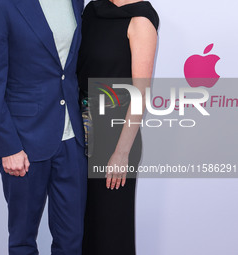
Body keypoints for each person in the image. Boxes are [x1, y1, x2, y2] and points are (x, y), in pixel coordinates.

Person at [0, 0, 87, 254]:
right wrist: (7, 146)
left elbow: (68, 69)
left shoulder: (75, 1)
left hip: (72, 139)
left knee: (72, 241)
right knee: (23, 241)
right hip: (23, 141)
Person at [77, 0, 159, 254]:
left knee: (110, 229)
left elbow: (140, 95)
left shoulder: (142, 19)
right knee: (83, 227)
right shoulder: (92, 10)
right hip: (80, 131)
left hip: (117, 137)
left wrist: (122, 153)